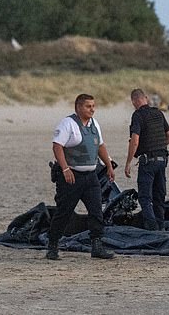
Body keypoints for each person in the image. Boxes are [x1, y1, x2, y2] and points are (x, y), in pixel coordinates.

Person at [44, 94, 116, 260]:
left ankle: (97, 246)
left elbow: (100, 145)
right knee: (64, 212)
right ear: (78, 108)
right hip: (71, 177)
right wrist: (65, 169)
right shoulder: (68, 124)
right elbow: (57, 146)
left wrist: (109, 165)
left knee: (97, 211)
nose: (92, 109)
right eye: (88, 106)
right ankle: (53, 245)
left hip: (91, 176)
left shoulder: (94, 124)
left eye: (93, 106)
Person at [124, 88, 169, 230]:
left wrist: (128, 162)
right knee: (159, 196)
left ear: (133, 101)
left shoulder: (137, 116)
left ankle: (152, 228)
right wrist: (158, 147)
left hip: (148, 162)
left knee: (145, 197)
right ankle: (161, 226)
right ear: (146, 98)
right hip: (162, 160)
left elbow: (135, 141)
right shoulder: (158, 113)